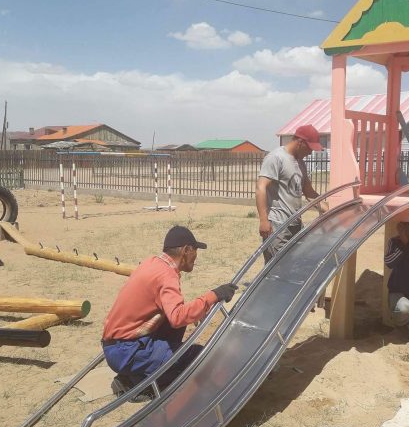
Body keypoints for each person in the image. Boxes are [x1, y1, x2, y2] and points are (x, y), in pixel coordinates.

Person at [101, 225, 238, 398]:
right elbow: (177, 317)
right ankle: (138, 383)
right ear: (186, 250)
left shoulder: (153, 263)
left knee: (178, 322)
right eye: (195, 250)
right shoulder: (166, 275)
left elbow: (174, 313)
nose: (196, 257)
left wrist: (196, 310)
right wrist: (213, 295)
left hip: (117, 345)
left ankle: (139, 372)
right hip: (126, 351)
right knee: (196, 357)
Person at [256, 124, 323, 262]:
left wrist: (322, 205)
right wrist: (263, 220)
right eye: (310, 148)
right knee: (276, 268)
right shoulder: (276, 158)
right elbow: (260, 188)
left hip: (295, 224)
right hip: (277, 226)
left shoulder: (300, 163)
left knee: (292, 265)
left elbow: (308, 190)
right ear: (300, 142)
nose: (311, 153)